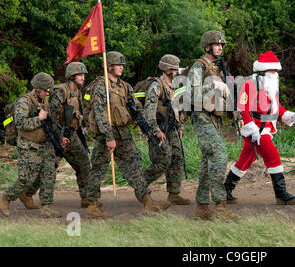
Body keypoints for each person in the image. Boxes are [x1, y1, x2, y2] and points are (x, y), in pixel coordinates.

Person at [85, 51, 161, 218]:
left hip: (124, 133)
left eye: (122, 65)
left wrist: (149, 129)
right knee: (98, 168)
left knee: (134, 163)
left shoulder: (125, 86)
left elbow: (136, 109)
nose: (121, 67)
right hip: (106, 135)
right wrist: (109, 138)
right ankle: (91, 205)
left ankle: (147, 200)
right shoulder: (100, 87)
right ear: (109, 67)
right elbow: (100, 114)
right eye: (118, 65)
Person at [224, 51, 295, 205]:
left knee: (245, 160)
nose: (275, 74)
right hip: (256, 131)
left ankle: (225, 190)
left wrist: (290, 115)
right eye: (272, 70)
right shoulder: (249, 85)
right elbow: (243, 109)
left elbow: (276, 107)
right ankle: (281, 194)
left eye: (276, 71)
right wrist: (252, 131)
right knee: (274, 158)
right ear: (262, 70)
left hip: (265, 129)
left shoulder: (270, 86)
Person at [22, 62, 93, 209]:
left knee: (84, 163)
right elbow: (52, 118)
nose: (83, 77)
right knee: (49, 168)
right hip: (56, 136)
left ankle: (86, 197)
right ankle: (27, 194)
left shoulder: (78, 92)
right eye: (80, 75)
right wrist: (59, 138)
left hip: (71, 135)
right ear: (72, 76)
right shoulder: (60, 92)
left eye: (84, 74)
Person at [187, 30, 237, 220]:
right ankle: (221, 206)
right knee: (219, 155)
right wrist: (213, 86)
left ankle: (201, 206)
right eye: (217, 44)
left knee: (208, 161)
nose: (220, 48)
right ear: (207, 46)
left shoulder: (217, 68)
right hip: (201, 117)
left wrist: (236, 115)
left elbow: (227, 95)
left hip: (215, 119)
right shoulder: (199, 66)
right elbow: (190, 95)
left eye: (222, 45)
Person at [0, 72, 62, 218]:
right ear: (36, 88)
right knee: (26, 179)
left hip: (45, 145)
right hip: (29, 147)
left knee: (49, 175)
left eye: (49, 90)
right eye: (45, 90)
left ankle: (46, 208)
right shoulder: (24, 102)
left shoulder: (43, 101)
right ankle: (6, 198)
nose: (47, 93)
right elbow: (20, 123)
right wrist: (38, 119)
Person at [143, 54, 191, 205]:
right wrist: (156, 131)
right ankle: (140, 184)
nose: (176, 72)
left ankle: (174, 193)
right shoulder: (157, 86)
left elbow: (180, 108)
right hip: (159, 129)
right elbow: (149, 112)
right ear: (165, 69)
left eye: (177, 69)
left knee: (177, 158)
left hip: (172, 129)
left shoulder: (176, 86)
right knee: (163, 160)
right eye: (173, 69)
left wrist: (180, 126)